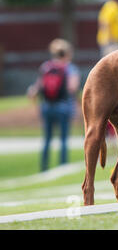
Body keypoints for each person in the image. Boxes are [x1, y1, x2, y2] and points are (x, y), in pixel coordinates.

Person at [27, 39, 80, 171]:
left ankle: (44, 167)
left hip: (47, 106)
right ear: (67, 53)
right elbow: (72, 88)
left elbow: (38, 87)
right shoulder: (70, 68)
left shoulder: (46, 66)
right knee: (63, 139)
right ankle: (62, 167)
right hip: (63, 106)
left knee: (47, 139)